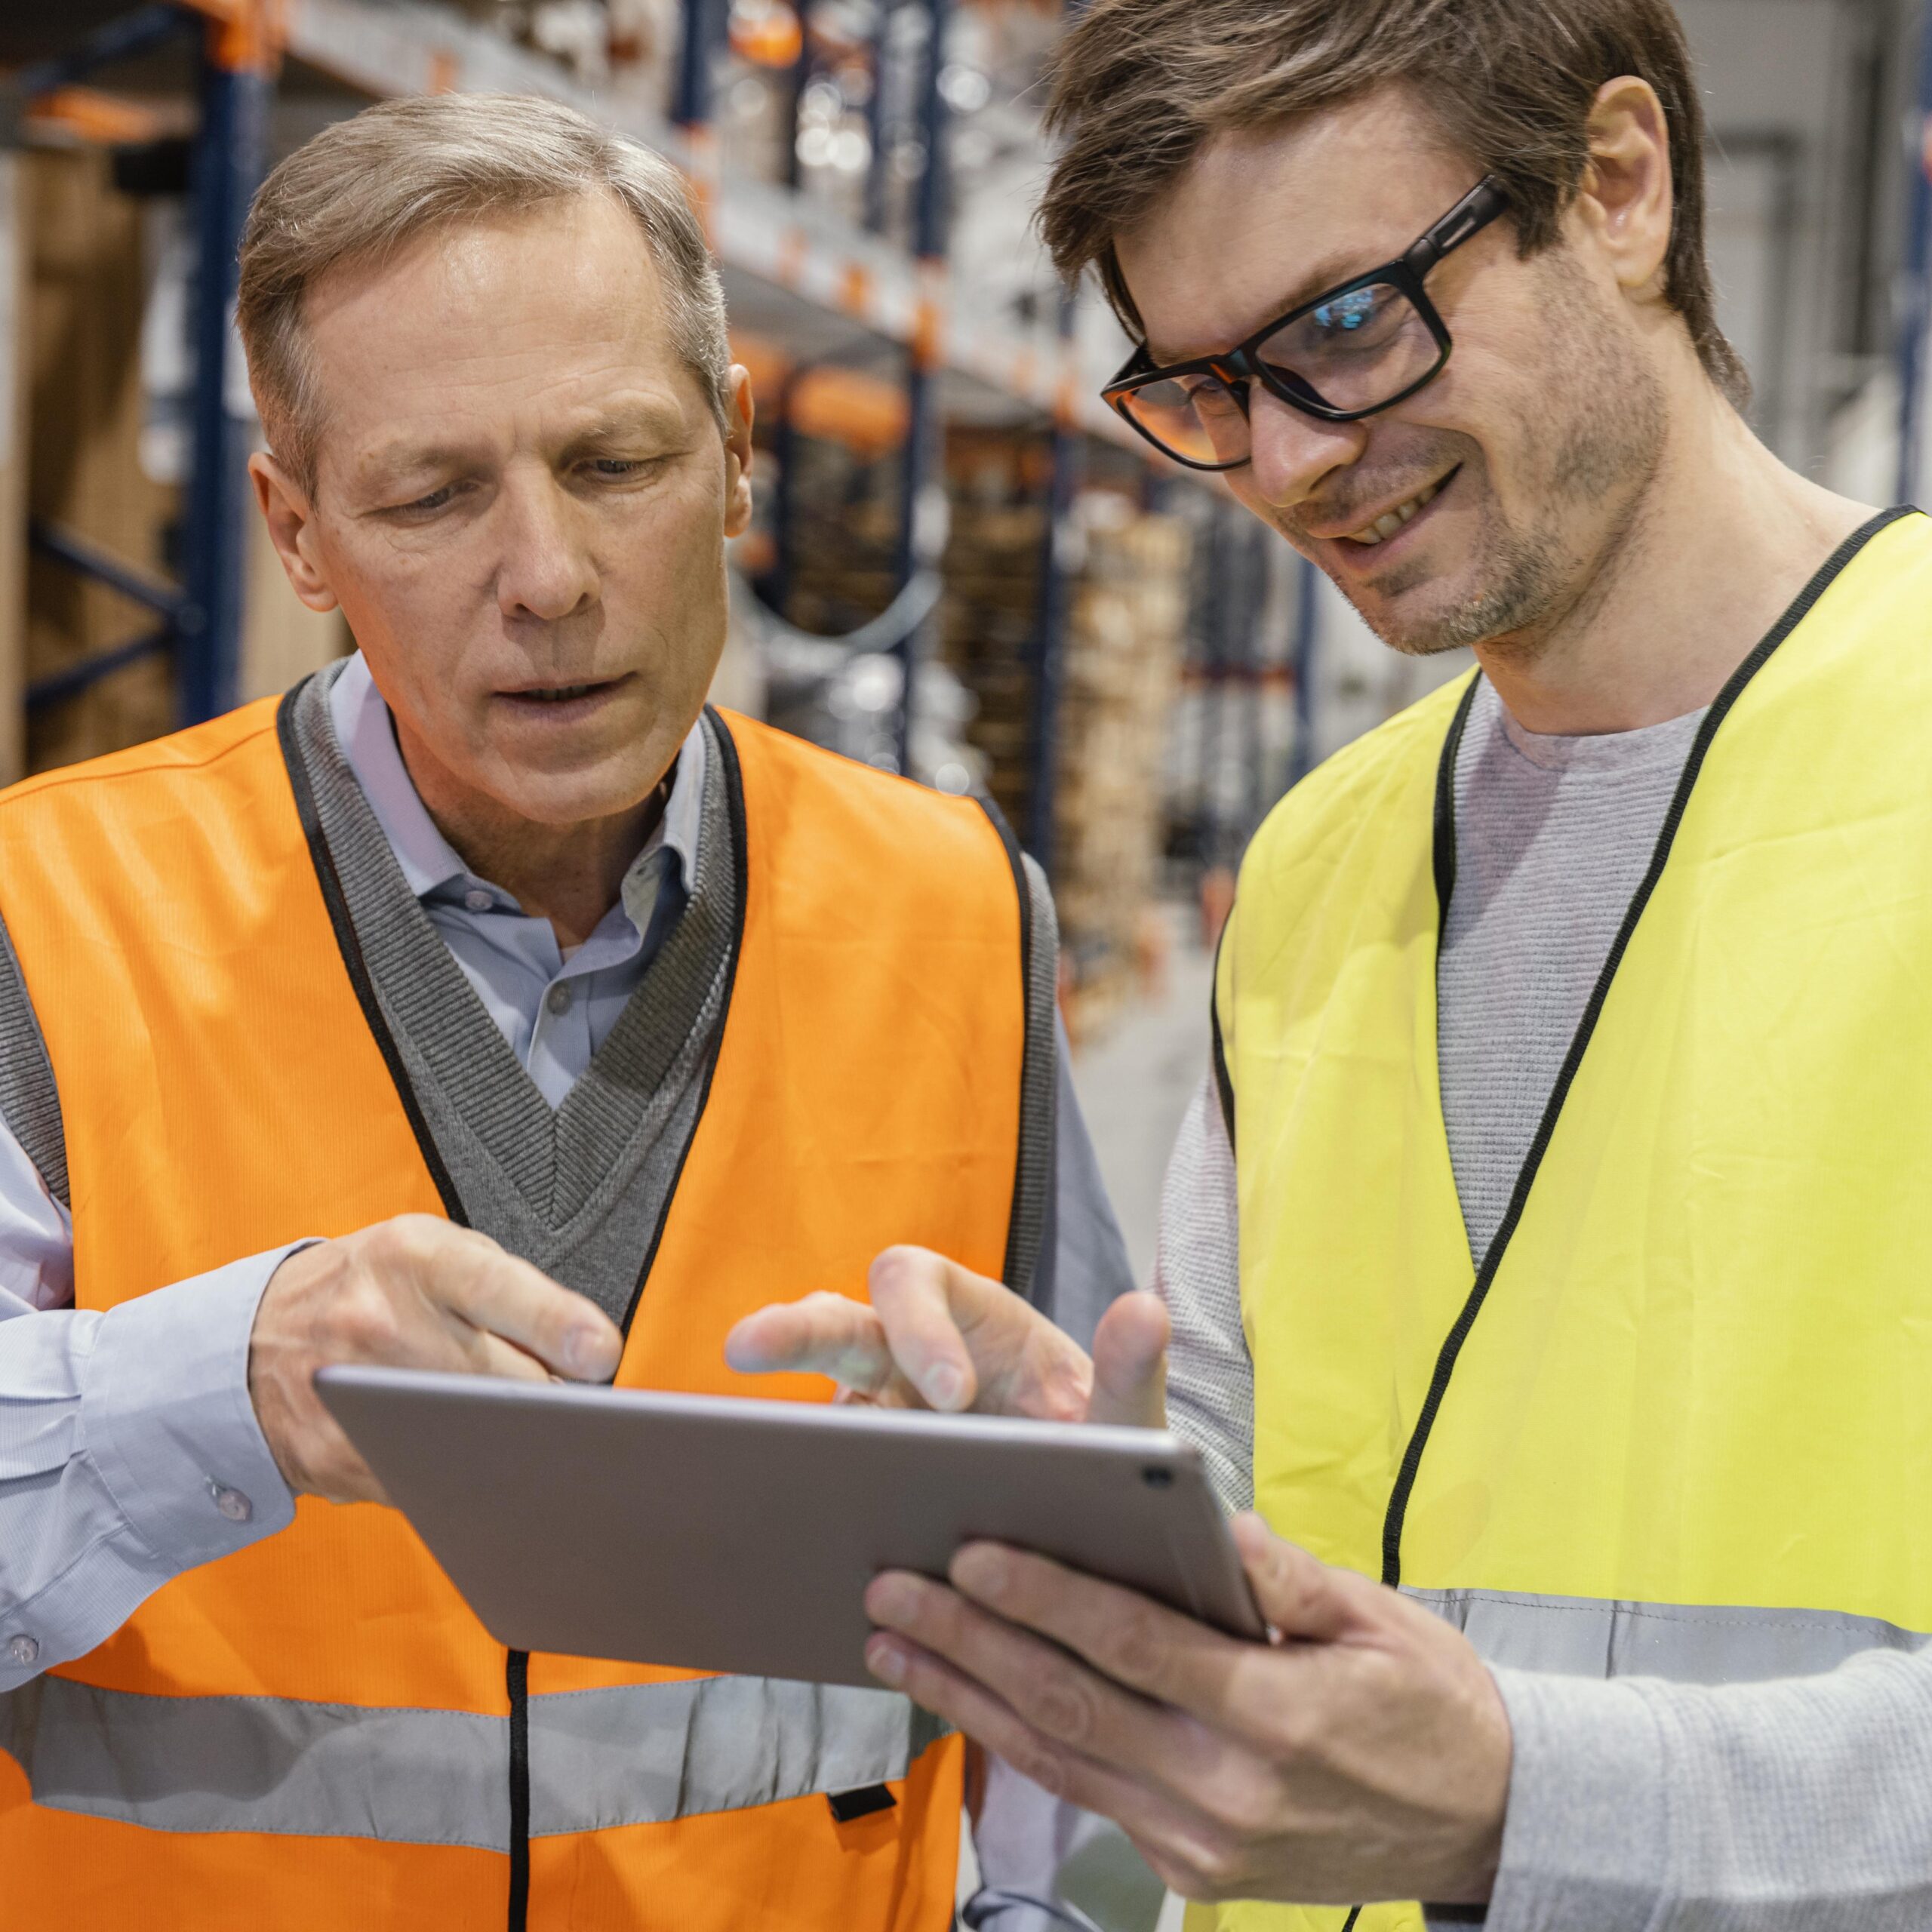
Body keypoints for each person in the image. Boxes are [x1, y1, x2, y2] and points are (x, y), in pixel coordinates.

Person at [730, 1, 1932, 1926]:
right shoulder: (1325, 864)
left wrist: (1518, 1804)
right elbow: (1288, 1481)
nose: (1286, 461)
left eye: (1348, 325)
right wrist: (1086, 1476)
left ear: (1615, 189)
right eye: (1207, 388)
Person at [0, 92, 1133, 1929]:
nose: (547, 575)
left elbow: (1035, 1608)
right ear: (295, 532)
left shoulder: (953, 906)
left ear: (736, 448)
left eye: (612, 462)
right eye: (432, 495)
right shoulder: (45, 919)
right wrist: (222, 1380)